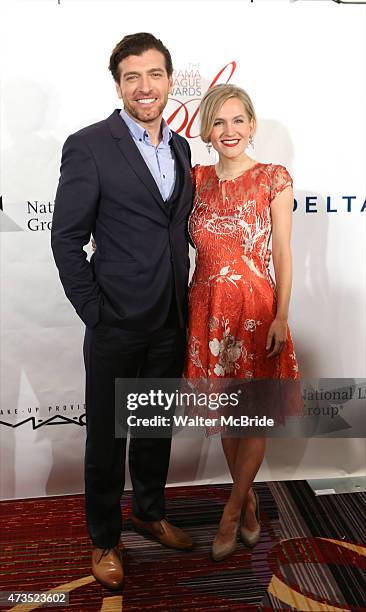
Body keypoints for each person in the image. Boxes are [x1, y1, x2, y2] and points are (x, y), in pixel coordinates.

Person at [51, 32, 194, 591]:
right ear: (118, 85)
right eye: (132, 77)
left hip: (169, 319)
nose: (144, 87)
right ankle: (104, 538)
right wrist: (95, 311)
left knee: (155, 427)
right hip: (114, 322)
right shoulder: (89, 145)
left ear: (168, 81)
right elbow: (67, 239)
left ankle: (150, 512)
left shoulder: (181, 148)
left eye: (154, 75)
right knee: (108, 438)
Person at [184, 83, 302, 561]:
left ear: (252, 125)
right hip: (205, 306)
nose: (229, 130)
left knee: (250, 414)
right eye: (219, 121)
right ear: (206, 130)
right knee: (227, 415)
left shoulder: (273, 177)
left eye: (238, 121)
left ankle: (232, 511)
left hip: (255, 310)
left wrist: (282, 315)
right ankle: (249, 503)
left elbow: (283, 254)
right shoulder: (194, 179)